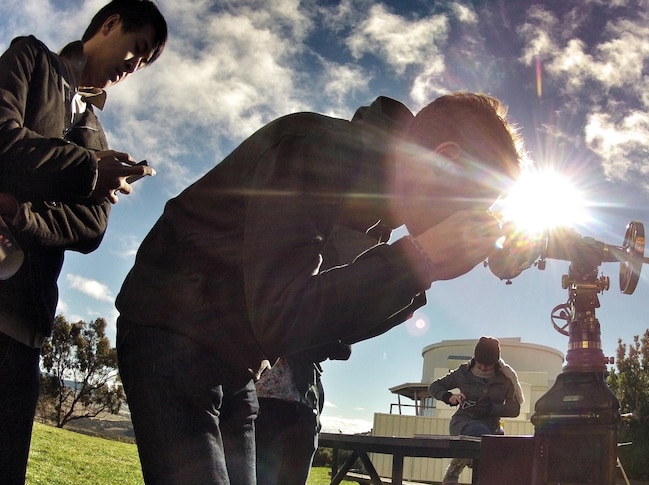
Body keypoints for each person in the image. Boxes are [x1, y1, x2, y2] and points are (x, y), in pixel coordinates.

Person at [114, 93, 525, 484]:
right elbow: (283, 318)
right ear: (446, 160)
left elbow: (318, 327)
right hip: (170, 335)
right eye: (478, 202)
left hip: (235, 362)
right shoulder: (317, 151)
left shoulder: (378, 207)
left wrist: (421, 270)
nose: (476, 218)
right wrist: (416, 261)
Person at [0, 1, 167, 483]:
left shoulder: (97, 133)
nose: (133, 66)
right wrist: (87, 171)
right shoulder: (30, 58)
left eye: (144, 63)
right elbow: (2, 139)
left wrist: (17, 211)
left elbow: (92, 228)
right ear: (110, 24)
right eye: (136, 49)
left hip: (24, 326)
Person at [254, 224, 376, 485]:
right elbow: (337, 345)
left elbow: (342, 347)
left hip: (301, 398)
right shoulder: (272, 286)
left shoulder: (319, 297)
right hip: (269, 400)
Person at [428, 336, 523, 485]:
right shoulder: (463, 373)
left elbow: (515, 409)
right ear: (475, 359)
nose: (483, 368)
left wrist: (492, 408)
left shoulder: (506, 379)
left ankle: (474, 472)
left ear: (496, 362)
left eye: (488, 365)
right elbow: (434, 387)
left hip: (492, 427)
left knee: (496, 452)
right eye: (480, 363)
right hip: (464, 422)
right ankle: (456, 467)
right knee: (478, 432)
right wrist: (449, 397)